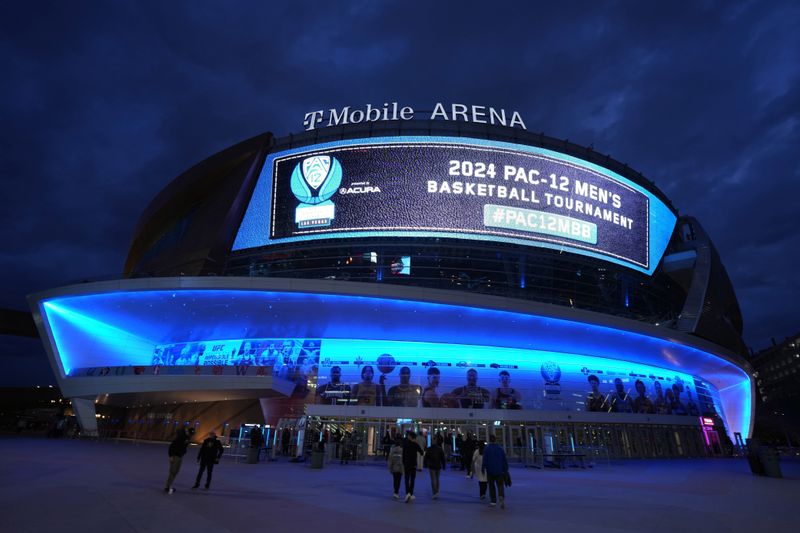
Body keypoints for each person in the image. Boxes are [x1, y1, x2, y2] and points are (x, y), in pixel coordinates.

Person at [164, 427, 195, 494]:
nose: (191, 435)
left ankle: (169, 485)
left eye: (192, 434)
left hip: (180, 456)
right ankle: (168, 487)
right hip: (175, 456)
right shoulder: (181, 437)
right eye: (191, 433)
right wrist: (171, 456)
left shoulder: (187, 438)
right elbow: (172, 446)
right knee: (172, 472)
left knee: (176, 471)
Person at [482, 434, 508, 509]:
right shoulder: (500, 449)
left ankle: (493, 501)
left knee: (491, 486)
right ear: (495, 440)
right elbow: (504, 459)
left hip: (490, 470)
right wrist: (505, 469)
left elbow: (485, 460)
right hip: (499, 470)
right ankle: (501, 495)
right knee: (500, 485)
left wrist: (483, 468)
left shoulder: (487, 449)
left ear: (490, 440)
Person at [402, 430, 424, 502]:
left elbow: (403, 454)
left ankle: (407, 493)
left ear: (410, 437)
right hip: (413, 464)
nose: (407, 436)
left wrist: (403, 462)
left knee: (406, 478)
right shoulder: (415, 444)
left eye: (408, 436)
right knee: (412, 479)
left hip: (406, 464)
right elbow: (421, 452)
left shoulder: (405, 444)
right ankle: (410, 493)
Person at [424, 435, 446, 499]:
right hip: (438, 465)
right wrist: (444, 465)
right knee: (437, 479)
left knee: (433, 479)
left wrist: (425, 464)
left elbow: (426, 457)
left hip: (431, 466)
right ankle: (437, 491)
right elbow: (443, 458)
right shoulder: (440, 449)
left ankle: (434, 492)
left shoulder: (429, 448)